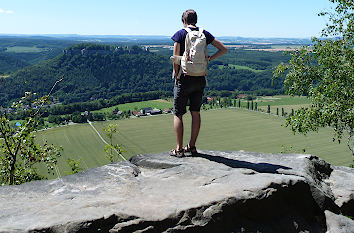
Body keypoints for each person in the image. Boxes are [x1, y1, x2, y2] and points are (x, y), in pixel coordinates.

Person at [170, 9, 227, 157]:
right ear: (196, 20)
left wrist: (176, 75)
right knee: (195, 112)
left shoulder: (180, 34)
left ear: (183, 21)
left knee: (178, 114)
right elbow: (223, 49)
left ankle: (179, 149)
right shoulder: (204, 34)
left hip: (184, 78)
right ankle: (192, 146)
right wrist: (209, 59)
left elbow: (176, 58)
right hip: (200, 78)